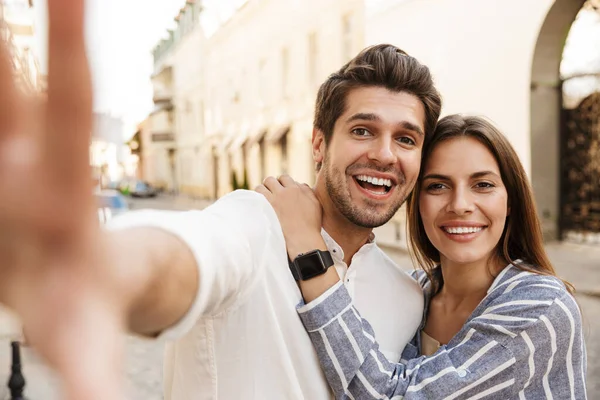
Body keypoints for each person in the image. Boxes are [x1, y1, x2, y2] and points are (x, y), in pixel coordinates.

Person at [0, 2, 442, 399]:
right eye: (362, 130)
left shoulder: (407, 299)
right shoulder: (252, 224)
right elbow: (188, 256)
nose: (384, 154)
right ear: (319, 144)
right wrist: (100, 267)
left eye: (405, 138)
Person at [258, 115, 587, 399]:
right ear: (416, 202)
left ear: (510, 201)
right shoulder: (412, 295)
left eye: (483, 185)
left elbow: (388, 394)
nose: (460, 204)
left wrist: (307, 245)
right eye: (438, 186)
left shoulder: (540, 309)